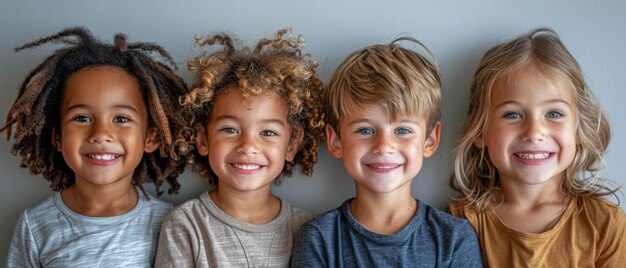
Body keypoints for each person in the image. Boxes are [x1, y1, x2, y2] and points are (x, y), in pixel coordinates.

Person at [2, 27, 189, 267]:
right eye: (82, 118)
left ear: (151, 137)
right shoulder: (35, 225)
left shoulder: (171, 222)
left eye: (121, 119)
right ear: (57, 136)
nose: (101, 134)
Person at [291, 37, 482, 267]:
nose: (383, 146)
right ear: (336, 141)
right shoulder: (319, 239)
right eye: (365, 130)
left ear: (429, 141)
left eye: (402, 130)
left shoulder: (454, 239)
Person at [448, 28, 626, 267]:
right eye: (512, 114)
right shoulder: (460, 221)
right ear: (480, 132)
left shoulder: (605, 223)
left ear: (579, 129)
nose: (534, 132)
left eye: (554, 113)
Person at [155, 28, 325, 267]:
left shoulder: (307, 229)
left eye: (268, 133)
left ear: (292, 144)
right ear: (203, 139)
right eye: (230, 129)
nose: (248, 146)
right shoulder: (186, 224)